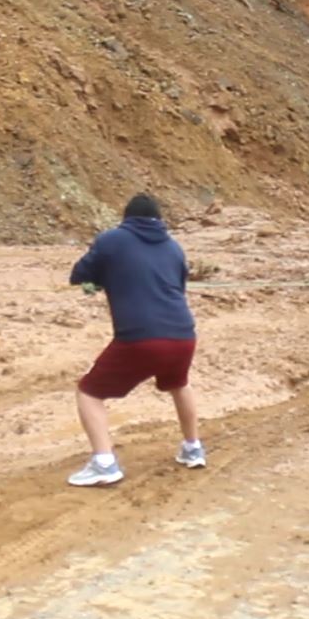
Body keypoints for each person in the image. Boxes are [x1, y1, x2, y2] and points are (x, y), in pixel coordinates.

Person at [65, 193, 204, 487]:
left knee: (88, 392)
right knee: (179, 384)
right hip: (183, 335)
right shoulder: (174, 248)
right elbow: (178, 285)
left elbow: (78, 273)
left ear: (126, 218)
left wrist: (99, 280)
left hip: (140, 337)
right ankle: (193, 448)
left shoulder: (112, 239)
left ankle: (104, 463)